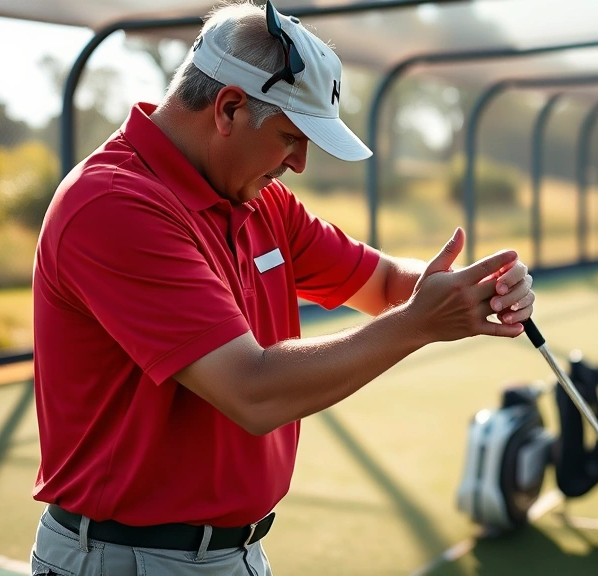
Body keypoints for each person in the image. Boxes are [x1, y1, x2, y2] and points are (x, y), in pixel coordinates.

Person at [28, 2, 535, 574]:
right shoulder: (114, 205)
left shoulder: (259, 199)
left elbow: (385, 282)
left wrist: (467, 288)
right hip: (126, 559)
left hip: (232, 553)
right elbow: (252, 390)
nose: (299, 163)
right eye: (292, 137)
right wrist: (418, 324)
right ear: (229, 108)